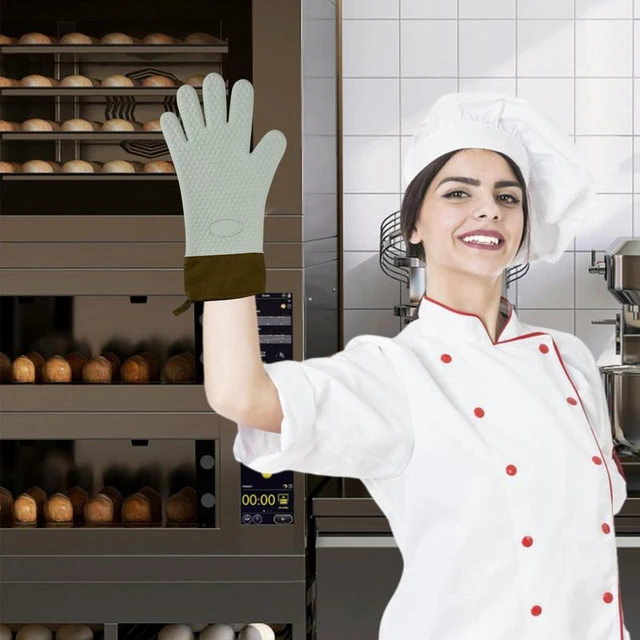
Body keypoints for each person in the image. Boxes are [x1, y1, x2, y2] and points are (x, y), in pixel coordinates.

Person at [162, 78, 630, 639]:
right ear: (414, 225)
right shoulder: (395, 372)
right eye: (458, 193)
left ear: (524, 226)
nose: (489, 210)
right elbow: (240, 394)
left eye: (507, 197)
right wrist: (225, 247)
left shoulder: (569, 358)